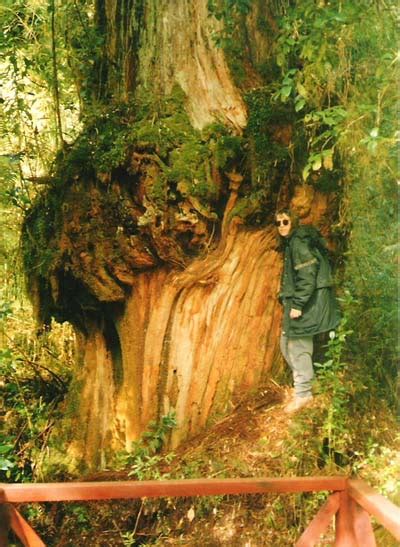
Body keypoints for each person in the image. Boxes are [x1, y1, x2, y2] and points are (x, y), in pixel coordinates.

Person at [275, 208, 341, 412]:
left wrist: (297, 305)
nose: (281, 227)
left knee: (298, 346)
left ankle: (303, 394)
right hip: (304, 302)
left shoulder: (298, 242)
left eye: (285, 222)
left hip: (308, 304)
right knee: (286, 342)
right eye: (278, 223)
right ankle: (309, 381)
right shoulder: (294, 242)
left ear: (293, 222)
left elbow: (307, 274)